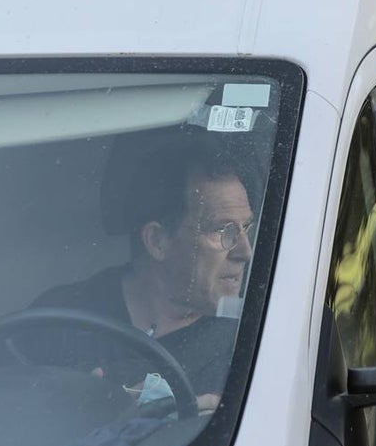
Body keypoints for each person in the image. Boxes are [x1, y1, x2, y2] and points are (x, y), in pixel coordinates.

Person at [30, 135, 256, 413]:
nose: (244, 252)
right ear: (157, 241)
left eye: (246, 228)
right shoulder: (59, 322)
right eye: (223, 231)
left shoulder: (254, 339)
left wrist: (207, 427)